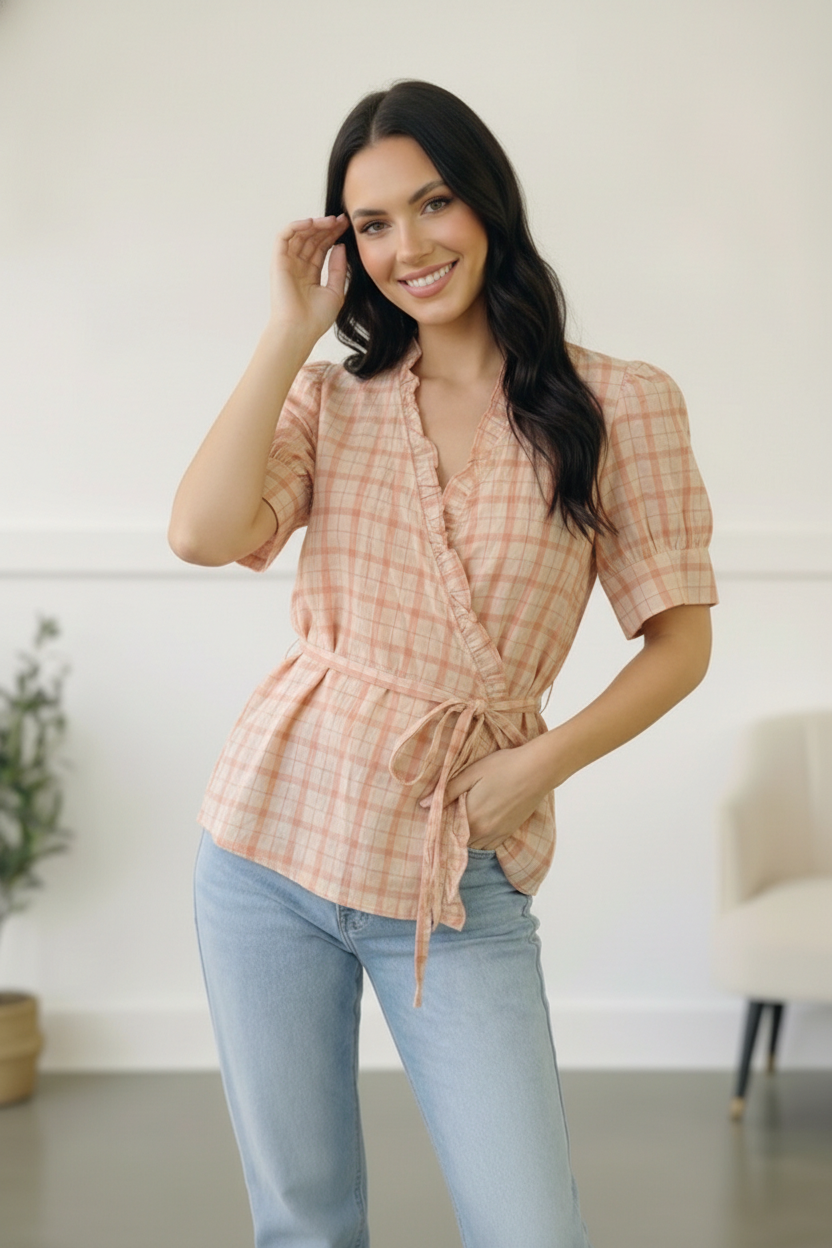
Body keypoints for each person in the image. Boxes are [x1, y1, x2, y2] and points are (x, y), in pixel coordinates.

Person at [169, 80, 717, 1248]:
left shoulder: (618, 404)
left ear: (488, 204)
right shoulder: (334, 402)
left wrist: (535, 770)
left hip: (453, 865)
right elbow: (202, 535)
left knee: (531, 1228)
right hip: (266, 844)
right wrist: (287, 332)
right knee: (304, 1223)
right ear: (347, 247)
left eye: (434, 204)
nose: (408, 246)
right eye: (372, 224)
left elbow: (680, 646)